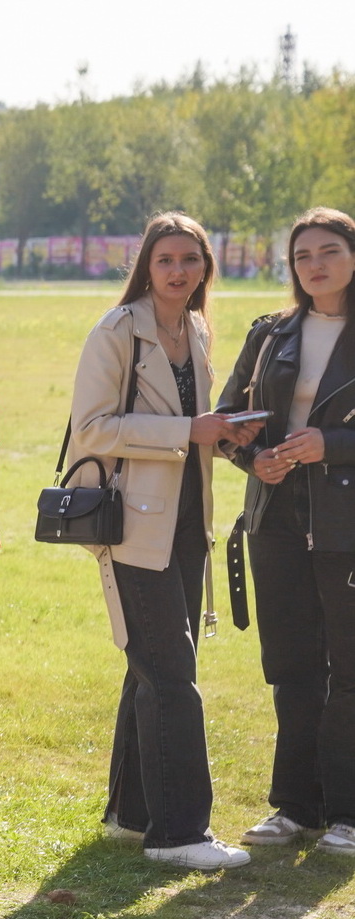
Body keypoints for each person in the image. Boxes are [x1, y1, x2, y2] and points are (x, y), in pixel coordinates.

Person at [69, 213, 257, 870]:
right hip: (128, 527)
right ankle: (179, 834)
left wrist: (221, 430)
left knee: (148, 669)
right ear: (145, 267)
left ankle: (131, 815)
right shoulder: (117, 331)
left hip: (185, 526)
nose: (177, 271)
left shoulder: (196, 329)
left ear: (204, 266)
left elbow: (197, 428)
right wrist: (186, 430)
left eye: (189, 260)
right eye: (164, 260)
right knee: (171, 675)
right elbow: (90, 429)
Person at [216, 206, 355, 859]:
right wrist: (254, 455)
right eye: (302, 255)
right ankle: (294, 807)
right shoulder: (270, 333)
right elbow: (228, 420)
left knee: (349, 668)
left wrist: (327, 443)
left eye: (327, 251)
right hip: (275, 521)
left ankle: (347, 811)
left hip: (345, 525)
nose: (314, 264)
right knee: (291, 668)